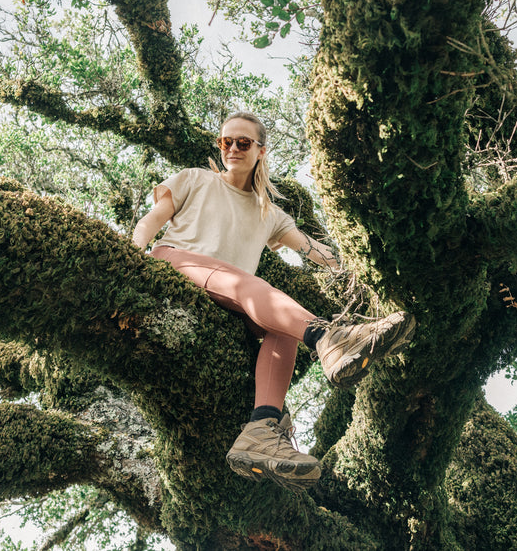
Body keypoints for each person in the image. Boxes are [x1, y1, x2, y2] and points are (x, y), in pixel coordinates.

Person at [131, 112, 415, 492]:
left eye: (243, 143)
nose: (232, 148)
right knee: (250, 284)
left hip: (229, 292)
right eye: (225, 142)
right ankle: (327, 338)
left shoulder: (270, 212)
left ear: (261, 150)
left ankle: (262, 428)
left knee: (281, 329)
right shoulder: (195, 179)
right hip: (177, 261)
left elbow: (316, 251)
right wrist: (131, 254)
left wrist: (360, 266)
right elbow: (152, 221)